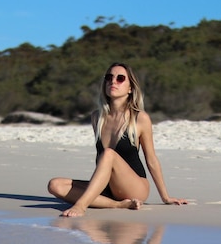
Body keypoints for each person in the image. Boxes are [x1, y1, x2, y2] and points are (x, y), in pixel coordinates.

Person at [47, 62, 188, 217]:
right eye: (109, 78)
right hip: (109, 188)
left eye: (120, 78)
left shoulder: (140, 118)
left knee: (108, 154)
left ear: (130, 88)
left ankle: (81, 205)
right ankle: (118, 204)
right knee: (55, 185)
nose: (113, 81)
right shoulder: (97, 117)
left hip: (135, 186)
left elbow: (151, 159)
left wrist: (165, 197)